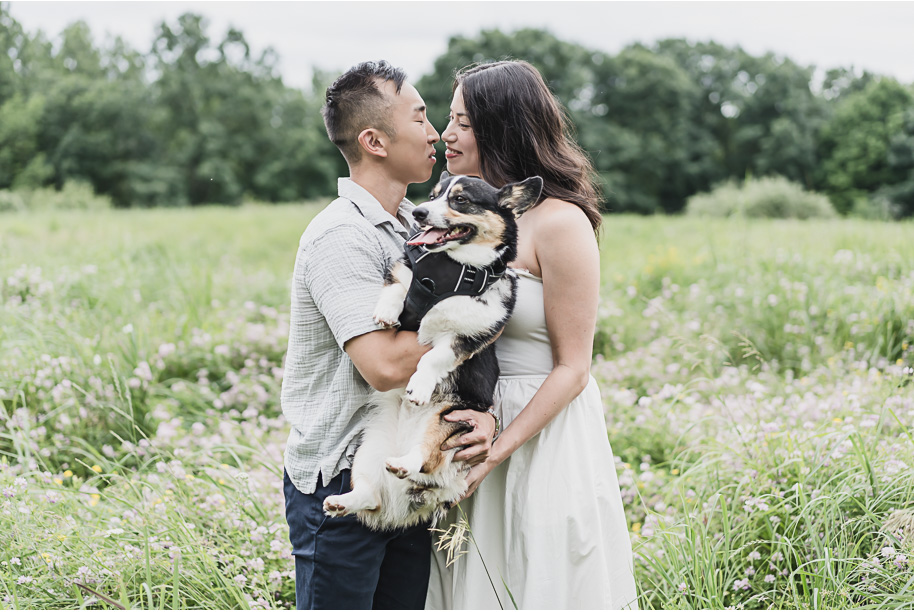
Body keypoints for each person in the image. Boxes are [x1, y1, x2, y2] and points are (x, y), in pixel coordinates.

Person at [280, 60, 497, 610]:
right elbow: (381, 364)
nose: (437, 133)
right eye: (422, 115)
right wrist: (478, 325)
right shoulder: (342, 236)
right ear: (375, 140)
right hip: (343, 478)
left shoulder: (416, 224)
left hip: (407, 471)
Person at [427, 60, 640, 609]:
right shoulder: (457, 215)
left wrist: (498, 450)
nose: (446, 134)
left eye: (463, 123)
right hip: (468, 422)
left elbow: (574, 368)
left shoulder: (560, 223)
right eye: (448, 119)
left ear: (503, 127)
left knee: (541, 578)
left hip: (540, 433)